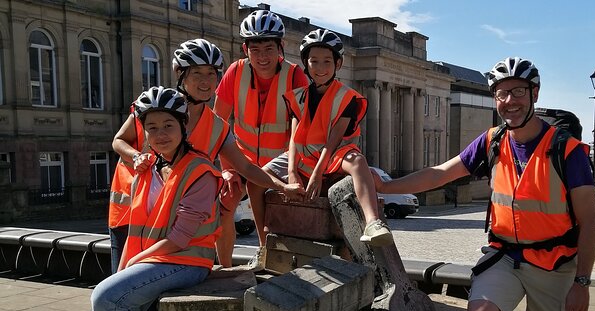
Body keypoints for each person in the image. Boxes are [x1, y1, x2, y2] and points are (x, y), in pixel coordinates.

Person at [373, 57, 595, 311]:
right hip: (505, 254)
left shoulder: (568, 151)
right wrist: (386, 187)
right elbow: (442, 172)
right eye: (501, 94)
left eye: (517, 92)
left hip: (554, 262)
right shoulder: (493, 141)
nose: (509, 100)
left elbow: (589, 222)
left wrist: (583, 283)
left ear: (534, 95)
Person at [11, 87, 223, 311]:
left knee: (105, 296)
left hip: (187, 260)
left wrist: (135, 263)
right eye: (151, 127)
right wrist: (130, 264)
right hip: (152, 259)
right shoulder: (148, 168)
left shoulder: (201, 170)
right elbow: (138, 229)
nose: (160, 134)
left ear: (184, 126)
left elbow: (183, 236)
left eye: (168, 125)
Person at [112, 38, 303, 267]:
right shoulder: (154, 106)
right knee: (120, 285)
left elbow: (246, 168)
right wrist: (136, 157)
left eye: (211, 74)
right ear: (179, 73)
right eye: (197, 74)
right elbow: (119, 140)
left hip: (170, 221)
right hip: (129, 213)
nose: (206, 82)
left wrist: (283, 187)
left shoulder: (217, 127)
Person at [280, 28, 393, 246]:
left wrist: (316, 174)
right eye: (314, 61)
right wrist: (292, 172)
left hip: (333, 156)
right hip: (304, 158)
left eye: (327, 62)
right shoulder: (297, 97)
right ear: (306, 63)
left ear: (338, 65)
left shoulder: (347, 97)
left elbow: (332, 141)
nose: (320, 68)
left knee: (358, 162)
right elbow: (294, 137)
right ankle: (263, 242)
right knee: (259, 177)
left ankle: (373, 222)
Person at [213, 9, 309, 262]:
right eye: (255, 50)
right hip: (240, 159)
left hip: (281, 161)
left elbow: (301, 129)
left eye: (268, 48)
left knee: (277, 210)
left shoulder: (295, 75)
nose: (262, 57)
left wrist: (291, 170)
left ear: (281, 47)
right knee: (224, 206)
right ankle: (224, 271)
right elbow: (218, 124)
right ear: (245, 49)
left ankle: (265, 253)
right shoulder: (234, 72)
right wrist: (227, 170)